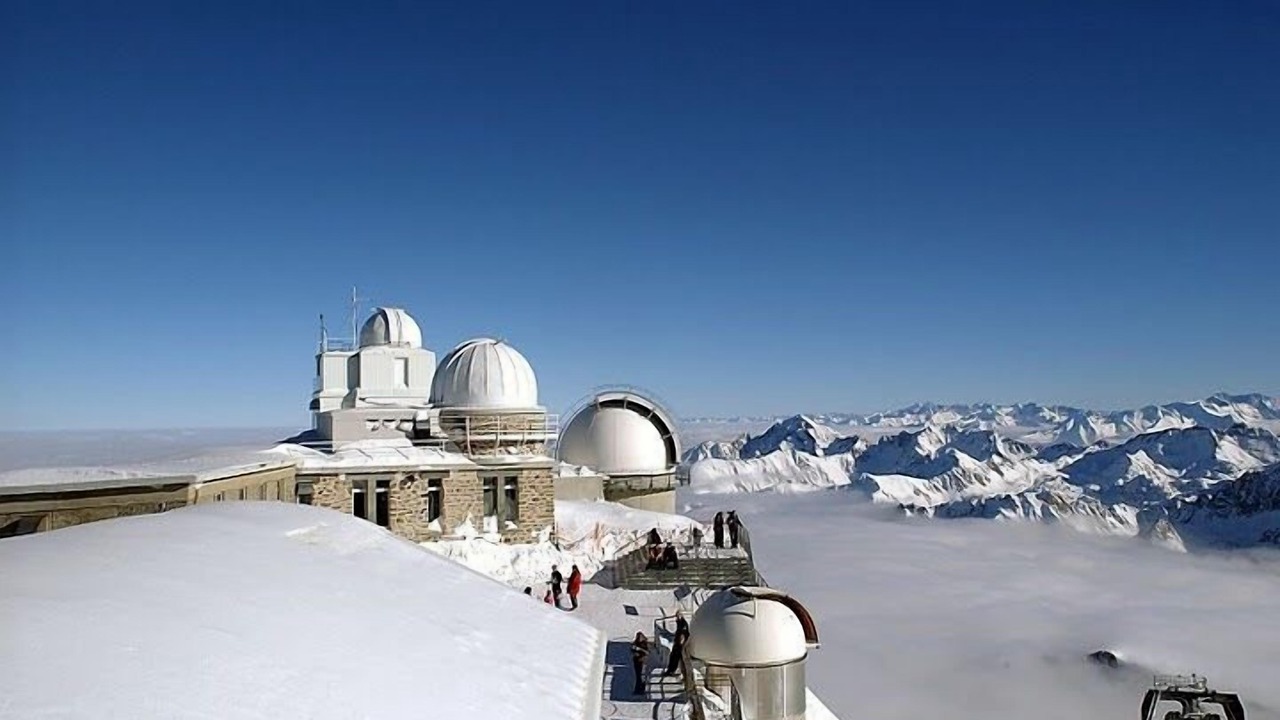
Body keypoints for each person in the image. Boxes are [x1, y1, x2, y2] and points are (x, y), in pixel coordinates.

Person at [630, 631, 650, 695]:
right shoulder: (635, 643)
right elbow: (632, 650)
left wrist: (639, 649)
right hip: (636, 661)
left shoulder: (644, 644)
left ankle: (642, 690)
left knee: (642, 676)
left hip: (642, 661)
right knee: (638, 676)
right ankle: (637, 689)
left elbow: (647, 652)